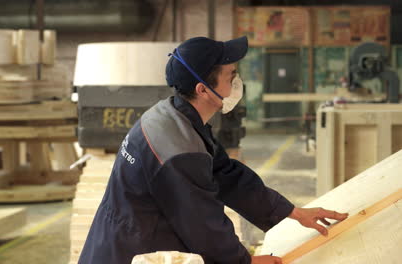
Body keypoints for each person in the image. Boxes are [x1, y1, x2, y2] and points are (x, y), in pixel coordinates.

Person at [78, 36, 348, 264]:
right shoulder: (178, 148)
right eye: (231, 76)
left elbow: (228, 175)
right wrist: (246, 261)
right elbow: (202, 224)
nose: (237, 83)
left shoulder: (175, 117)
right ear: (203, 89)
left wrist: (292, 212)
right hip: (127, 254)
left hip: (128, 236)